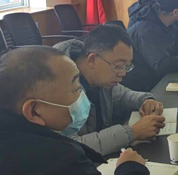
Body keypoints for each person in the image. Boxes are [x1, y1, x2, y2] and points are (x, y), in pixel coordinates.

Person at [0, 46, 154, 175]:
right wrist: (131, 169)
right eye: (75, 90)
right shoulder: (59, 163)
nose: (82, 97)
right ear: (34, 111)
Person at [54, 25, 166, 156]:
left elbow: (123, 95)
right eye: (118, 66)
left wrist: (145, 100)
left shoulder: (101, 81)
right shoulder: (59, 89)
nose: (123, 73)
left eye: (127, 66)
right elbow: (72, 146)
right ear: (92, 60)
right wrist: (133, 132)